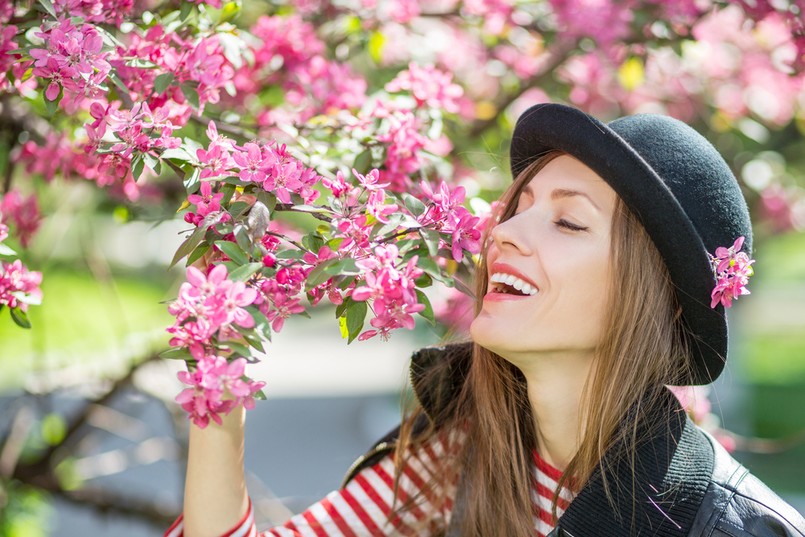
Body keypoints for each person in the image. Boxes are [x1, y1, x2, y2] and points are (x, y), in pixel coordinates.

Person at [165, 103, 805, 537]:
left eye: (568, 221)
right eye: (518, 206)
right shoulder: (461, 455)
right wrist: (218, 402)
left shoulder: (724, 523)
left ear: (654, 298)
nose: (504, 233)